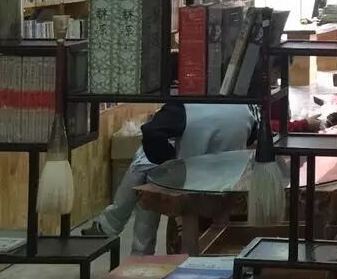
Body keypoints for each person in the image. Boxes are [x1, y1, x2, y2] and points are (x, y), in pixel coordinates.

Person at [82, 102, 256, 254]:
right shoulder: (245, 108)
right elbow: (253, 138)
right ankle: (117, 232)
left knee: (146, 169)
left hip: (193, 185)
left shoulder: (183, 107)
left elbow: (151, 132)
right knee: (146, 167)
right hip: (231, 180)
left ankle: (129, 244)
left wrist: (168, 160)